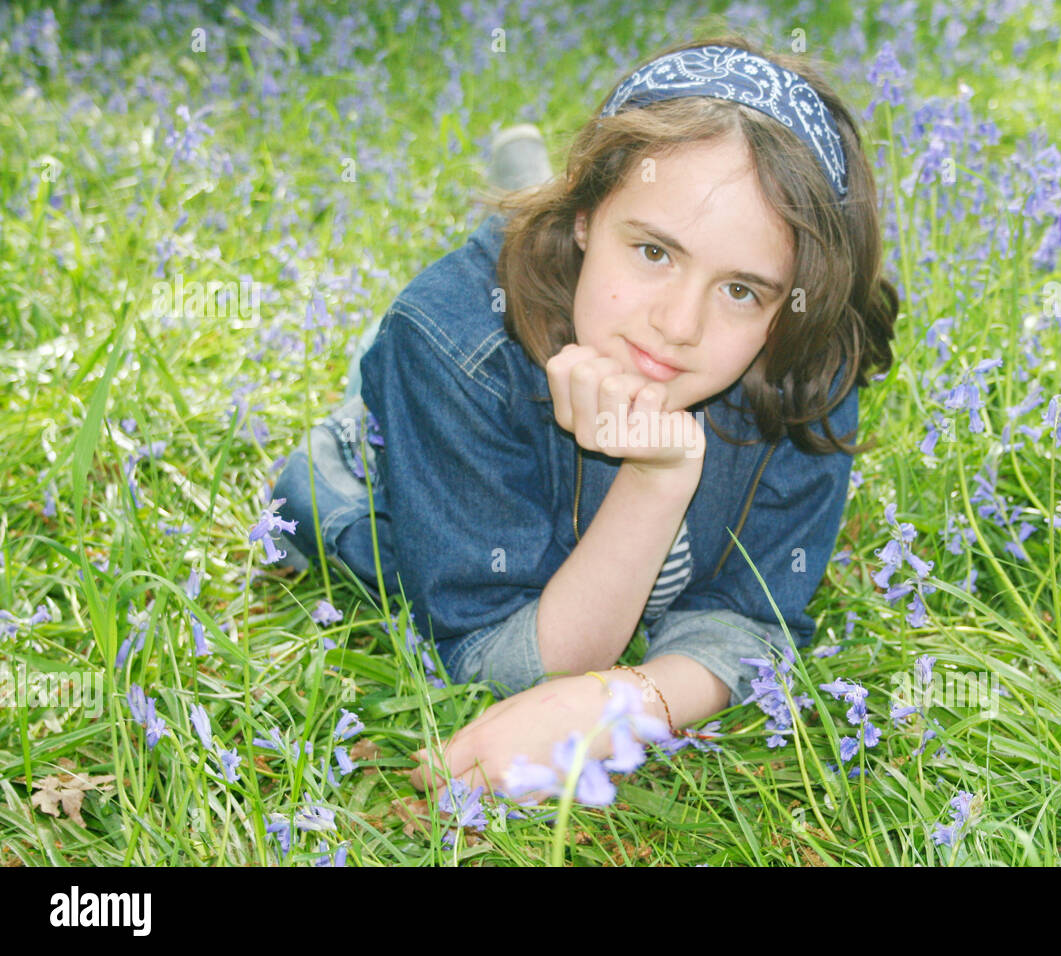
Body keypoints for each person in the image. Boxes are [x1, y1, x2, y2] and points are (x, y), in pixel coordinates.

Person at [269, 33, 899, 803]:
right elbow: (491, 655)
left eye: (742, 289)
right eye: (655, 252)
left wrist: (622, 706)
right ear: (585, 217)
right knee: (320, 477)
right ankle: (522, 211)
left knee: (556, 269)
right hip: (468, 359)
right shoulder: (448, 342)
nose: (678, 325)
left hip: (564, 264)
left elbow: (753, 621)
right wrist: (653, 485)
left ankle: (543, 195)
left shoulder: (807, 353)